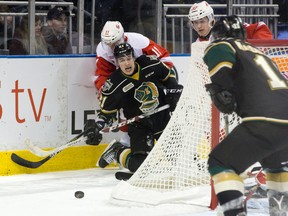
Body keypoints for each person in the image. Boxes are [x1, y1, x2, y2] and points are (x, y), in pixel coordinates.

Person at [203, 15, 288, 215]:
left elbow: (221, 74)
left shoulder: (222, 45)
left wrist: (221, 90)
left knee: (220, 162)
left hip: (264, 118)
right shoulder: (261, 53)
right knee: (276, 167)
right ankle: (280, 212)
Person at [84, 42, 183, 173]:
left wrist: (173, 90)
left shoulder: (150, 64)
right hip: (139, 126)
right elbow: (107, 113)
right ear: (117, 62)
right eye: (122, 60)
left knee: (180, 158)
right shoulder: (114, 84)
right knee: (140, 167)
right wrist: (97, 126)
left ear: (134, 57)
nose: (127, 63)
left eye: (129, 58)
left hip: (162, 118)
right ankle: (118, 151)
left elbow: (168, 76)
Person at [94, 20, 176, 91]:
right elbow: (103, 75)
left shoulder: (139, 42)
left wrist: (159, 80)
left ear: (122, 37)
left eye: (115, 43)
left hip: (149, 80)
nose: (111, 47)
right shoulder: (102, 50)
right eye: (108, 44)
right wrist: (105, 92)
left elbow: (165, 59)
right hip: (127, 83)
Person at [188, 1, 273, 42]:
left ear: (211, 19)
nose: (199, 26)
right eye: (195, 22)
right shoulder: (198, 45)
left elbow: (260, 27)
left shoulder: (229, 27)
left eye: (202, 21)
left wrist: (254, 48)